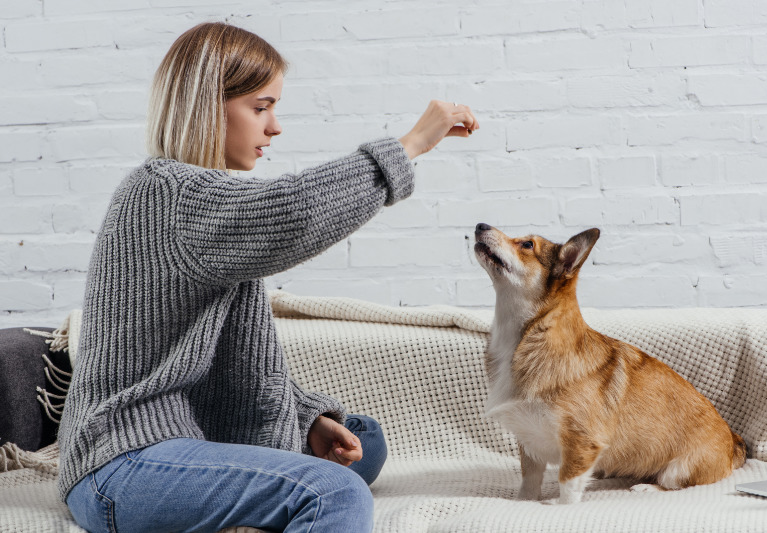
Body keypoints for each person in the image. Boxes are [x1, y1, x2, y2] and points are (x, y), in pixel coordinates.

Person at [57, 21, 479, 533]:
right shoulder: (164, 192)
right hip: (121, 461)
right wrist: (409, 145)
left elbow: (232, 367)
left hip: (184, 435)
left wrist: (306, 419)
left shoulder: (209, 201)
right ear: (206, 105)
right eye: (260, 108)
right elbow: (295, 212)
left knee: (363, 439)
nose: (274, 127)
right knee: (333, 491)